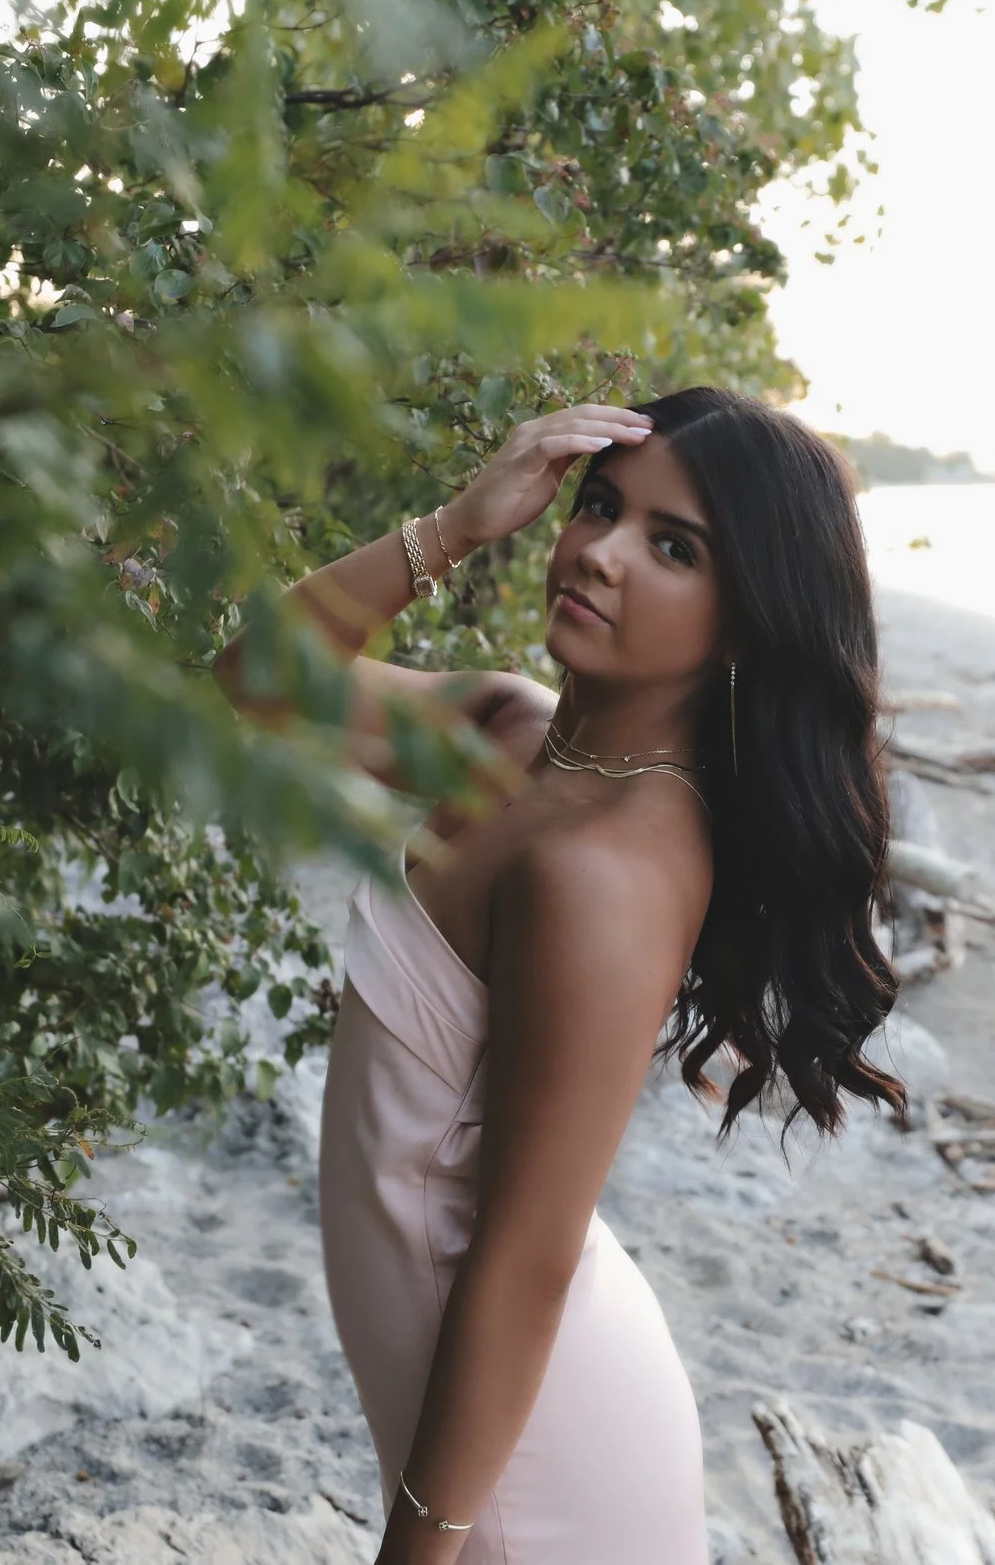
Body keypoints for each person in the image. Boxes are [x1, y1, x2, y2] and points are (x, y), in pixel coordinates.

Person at [220, 387, 902, 1563]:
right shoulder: (507, 729)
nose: (598, 552)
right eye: (599, 506)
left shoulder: (607, 871)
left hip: (530, 1467)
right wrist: (451, 527)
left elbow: (526, 1257)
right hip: (484, 1400)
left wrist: (418, 1548)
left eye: (673, 546)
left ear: (743, 618)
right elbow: (247, 680)